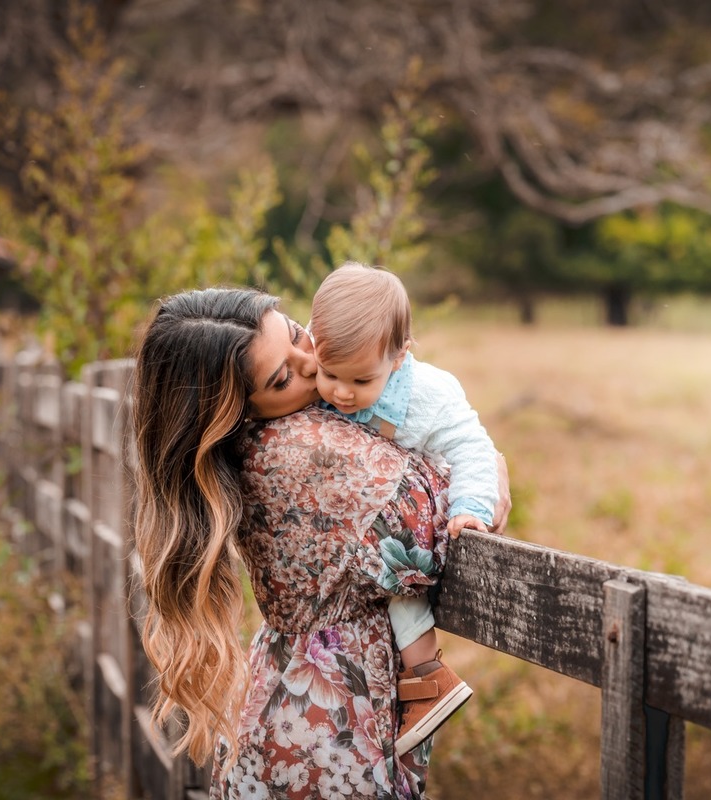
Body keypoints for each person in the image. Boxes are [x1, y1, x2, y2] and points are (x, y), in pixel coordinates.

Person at [131, 288, 506, 799]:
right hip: (325, 736)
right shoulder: (300, 447)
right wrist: (489, 467)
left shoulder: (286, 427)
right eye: (281, 377)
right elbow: (428, 537)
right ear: (234, 411)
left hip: (296, 709)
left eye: (296, 334)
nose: (312, 363)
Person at [310, 261, 501, 756]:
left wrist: (471, 506)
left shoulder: (428, 396)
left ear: (399, 357)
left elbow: (472, 448)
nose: (341, 392)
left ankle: (427, 676)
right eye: (329, 375)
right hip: (357, 520)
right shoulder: (317, 371)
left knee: (397, 574)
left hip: (410, 520)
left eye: (360, 380)